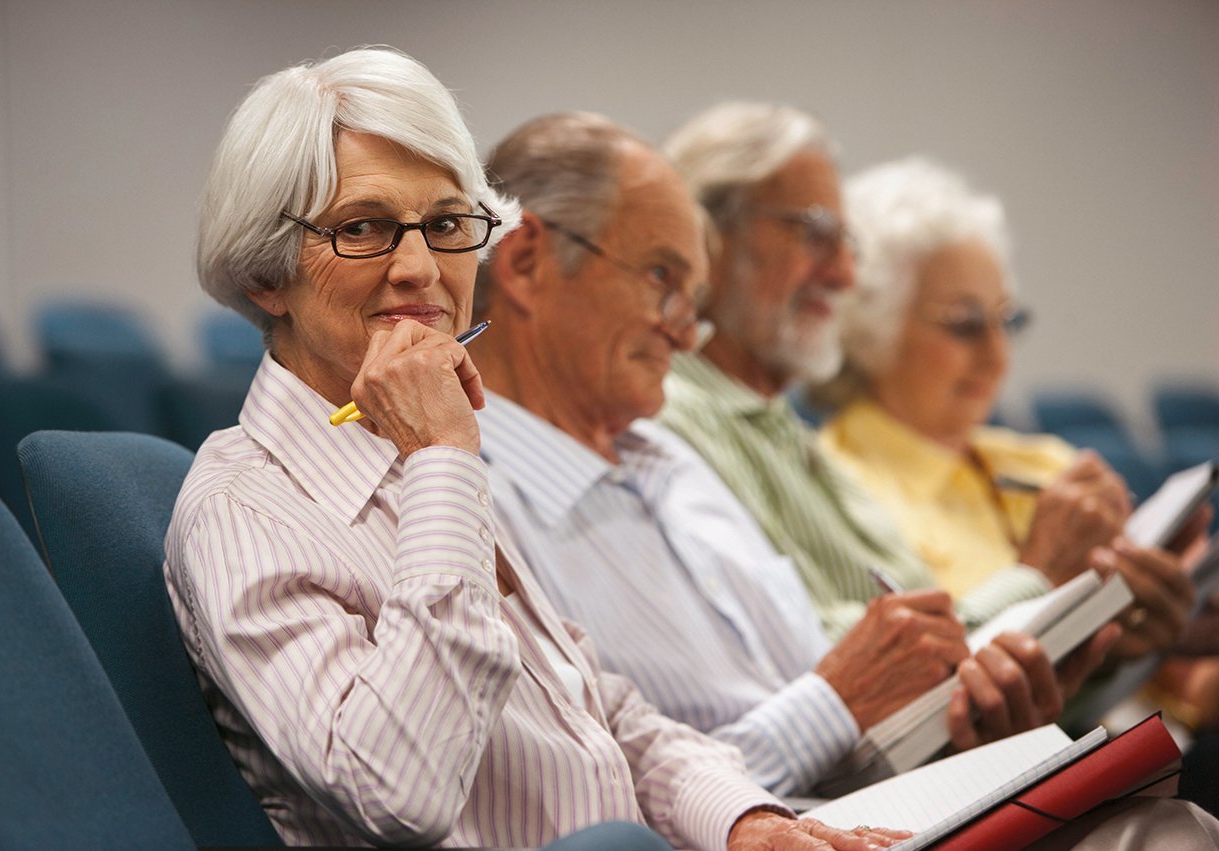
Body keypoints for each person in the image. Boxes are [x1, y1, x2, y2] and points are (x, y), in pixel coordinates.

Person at [163, 46, 908, 851]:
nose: (420, 269)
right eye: (364, 228)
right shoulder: (243, 507)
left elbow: (602, 710)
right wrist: (443, 458)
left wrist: (747, 823)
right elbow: (396, 789)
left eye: (447, 224)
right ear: (265, 276)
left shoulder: (407, 457)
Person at [470, 110, 1219, 848]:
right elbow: (615, 788)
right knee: (1169, 826)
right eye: (663, 277)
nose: (683, 325)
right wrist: (848, 701)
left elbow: (859, 695)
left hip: (874, 797)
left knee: (1167, 811)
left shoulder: (667, 461)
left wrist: (981, 709)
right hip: (773, 827)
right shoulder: (478, 506)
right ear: (528, 261)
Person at [657, 101, 1198, 654]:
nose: (845, 274)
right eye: (814, 232)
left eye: (1007, 321)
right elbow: (827, 666)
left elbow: (954, 683)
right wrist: (1039, 579)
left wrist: (1108, 648)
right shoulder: (669, 419)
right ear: (708, 237)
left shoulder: (783, 434)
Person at [821, 154, 1219, 809]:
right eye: (965, 323)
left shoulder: (1044, 459)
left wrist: (1176, 627)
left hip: (1140, 738)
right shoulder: (845, 486)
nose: (998, 356)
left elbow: (1166, 661)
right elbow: (941, 700)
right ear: (872, 329)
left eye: (1007, 321)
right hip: (1009, 786)